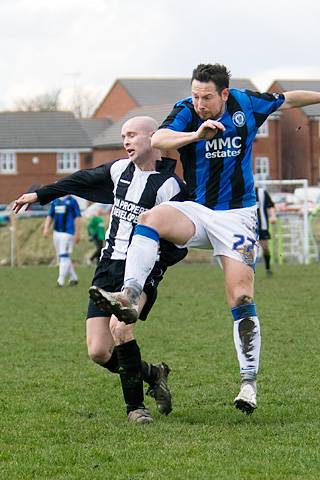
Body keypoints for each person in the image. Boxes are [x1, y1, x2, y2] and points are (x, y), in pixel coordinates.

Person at [91, 63, 320, 415]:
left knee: (241, 295)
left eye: (207, 97)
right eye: (196, 95)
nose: (200, 103)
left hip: (237, 217)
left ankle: (248, 384)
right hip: (197, 210)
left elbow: (288, 99)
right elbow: (159, 139)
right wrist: (195, 136)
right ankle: (130, 294)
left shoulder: (247, 104)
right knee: (150, 218)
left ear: (224, 94)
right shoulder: (187, 111)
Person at [12, 116, 187, 424]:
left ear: (154, 138)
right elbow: (82, 179)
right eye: (123, 136)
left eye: (133, 135)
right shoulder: (120, 170)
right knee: (98, 351)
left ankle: (136, 409)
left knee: (121, 329)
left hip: (141, 271)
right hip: (107, 266)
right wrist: (41, 195)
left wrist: (154, 270)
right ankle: (153, 373)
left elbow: (180, 242)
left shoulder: (171, 186)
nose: (126, 141)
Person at [43, 195, 81, 287]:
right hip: (56, 232)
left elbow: (78, 217)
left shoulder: (72, 201)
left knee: (63, 255)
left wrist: (78, 233)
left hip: (68, 232)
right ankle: (74, 277)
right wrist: (46, 228)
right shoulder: (55, 201)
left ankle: (61, 280)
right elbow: (50, 215)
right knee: (63, 256)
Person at [255, 186, 276, 276]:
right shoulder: (242, 191)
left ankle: (268, 268)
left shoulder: (262, 192)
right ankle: (247, 271)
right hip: (247, 226)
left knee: (265, 248)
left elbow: (270, 206)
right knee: (247, 250)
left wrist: (273, 216)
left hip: (262, 225)